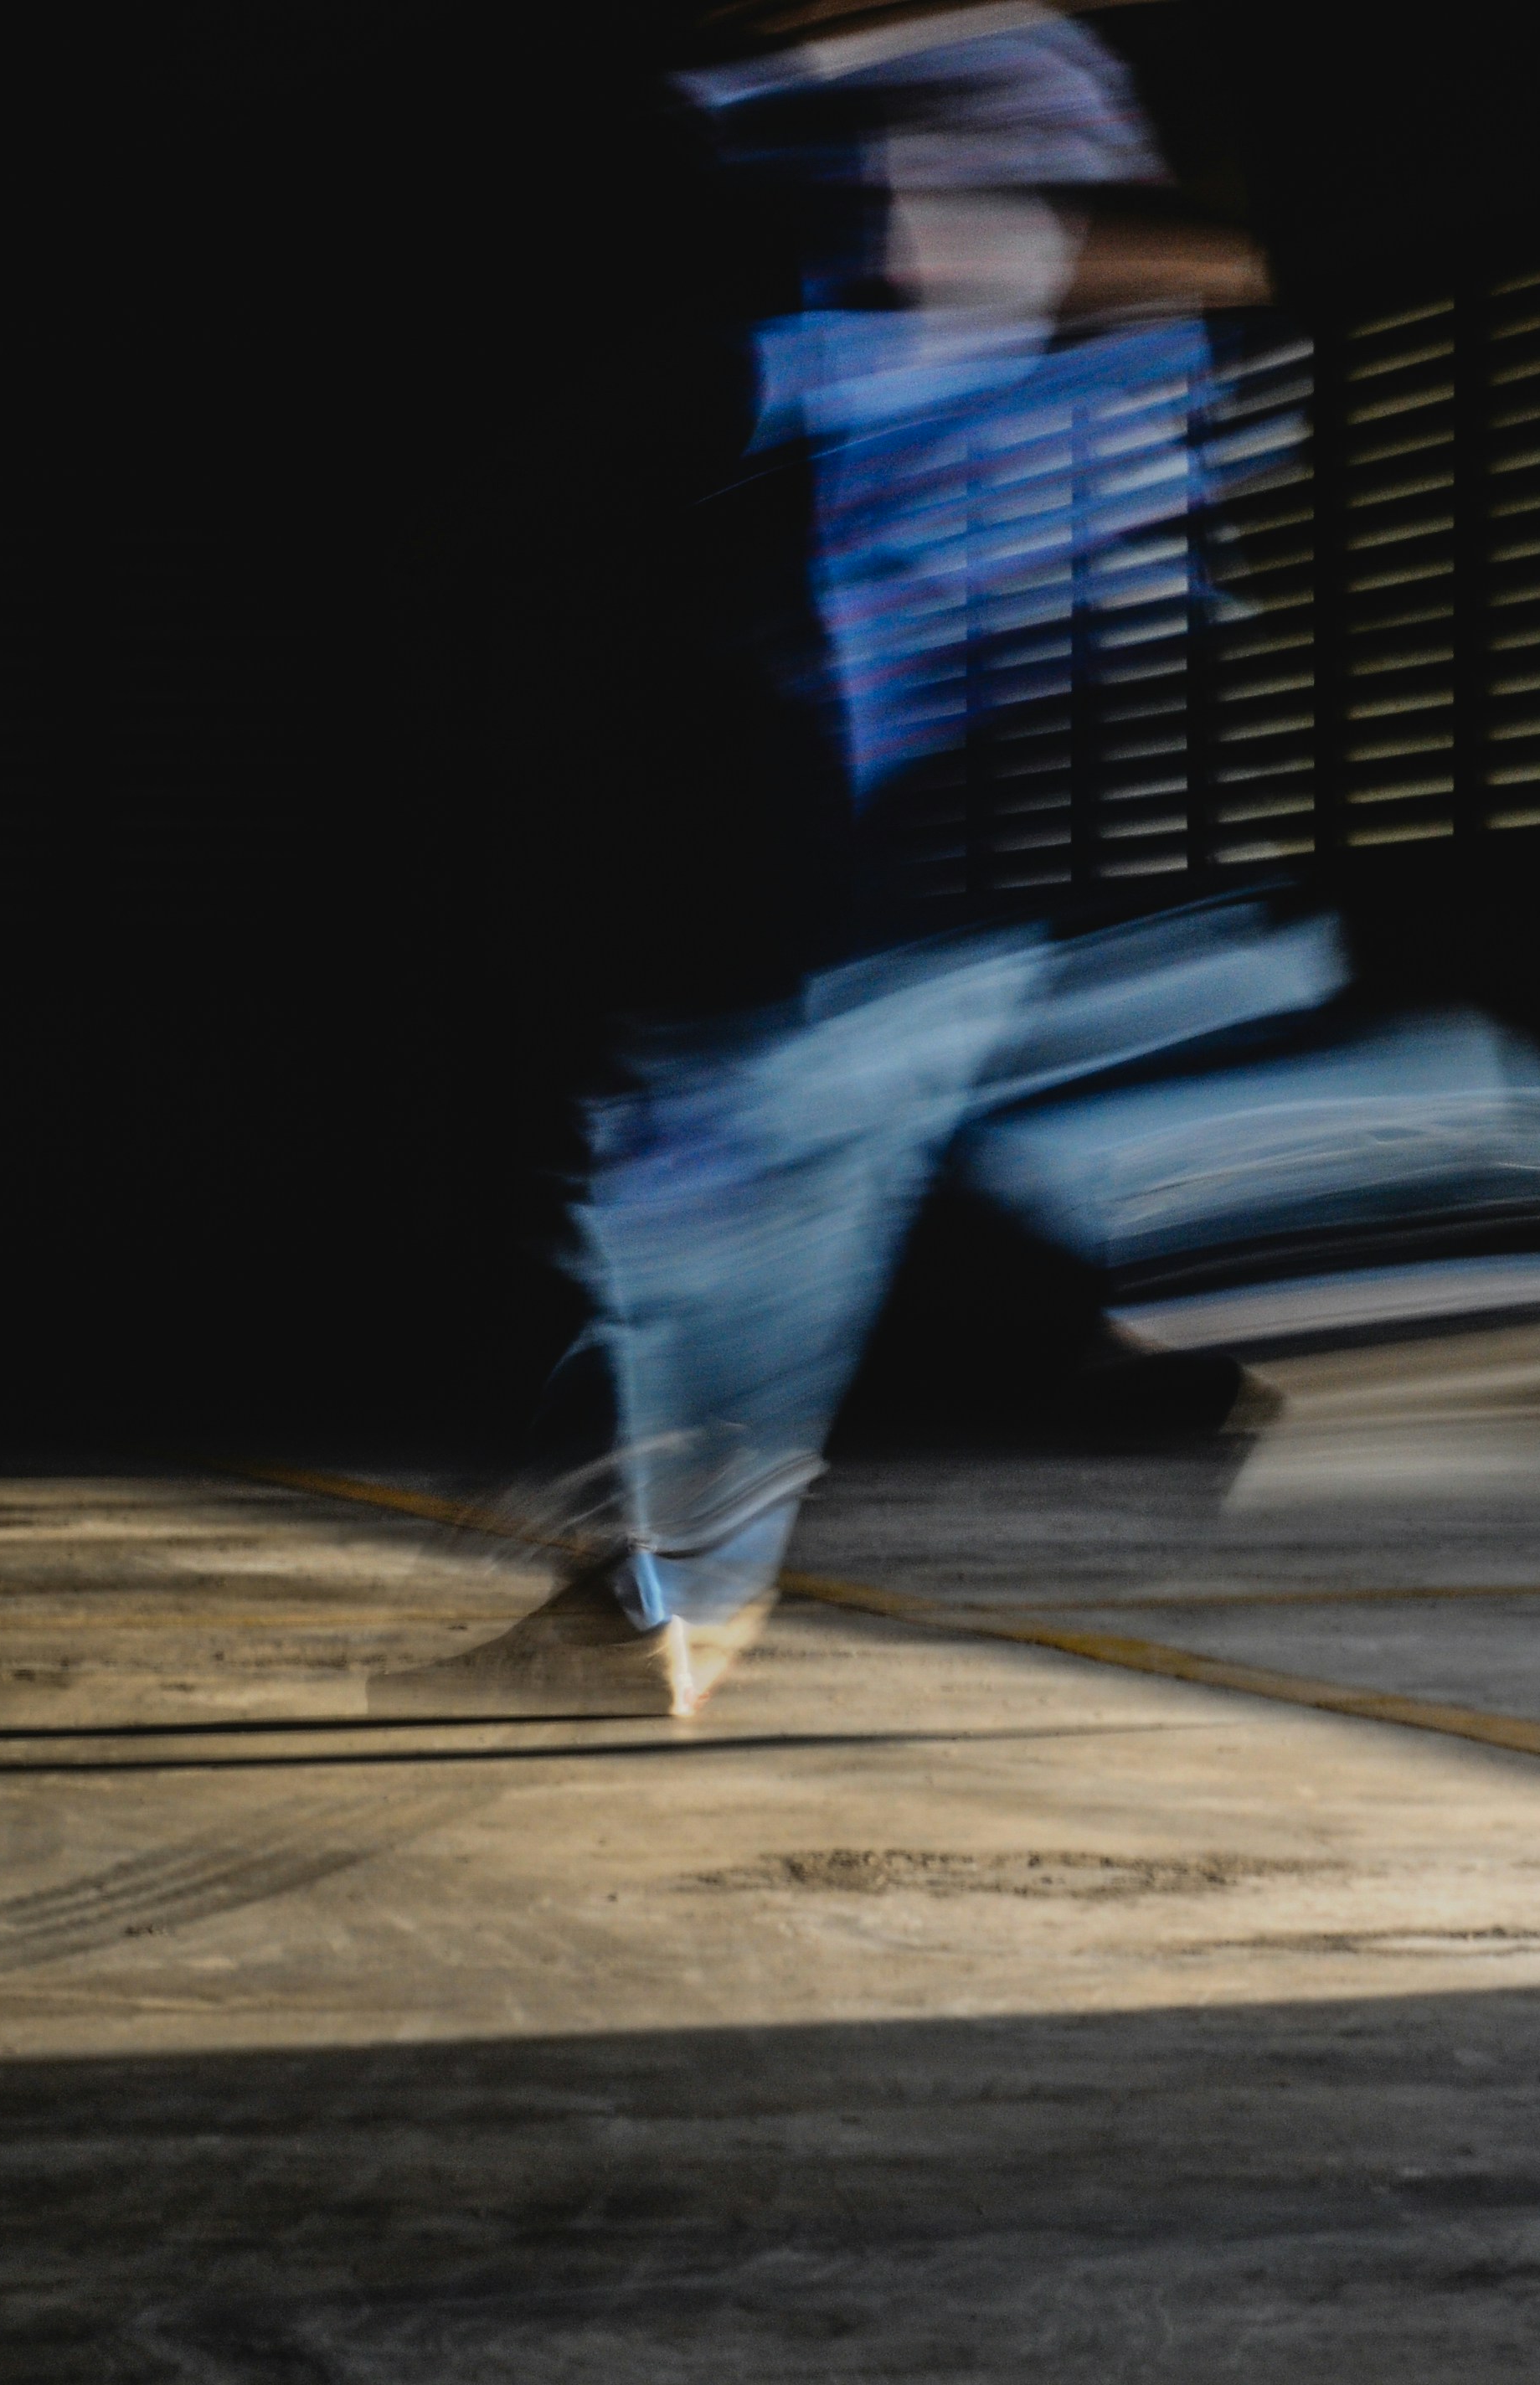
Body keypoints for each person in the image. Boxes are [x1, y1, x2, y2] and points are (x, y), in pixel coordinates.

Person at [373, 0, 1295, 1718]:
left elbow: (1193, 268)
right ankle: (649, 1595)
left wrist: (992, 271)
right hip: (842, 756)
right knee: (709, 1167)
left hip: (967, 770)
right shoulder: (790, 124)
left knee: (776, 1153)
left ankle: (1398, 1243)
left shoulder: (1005, 78)